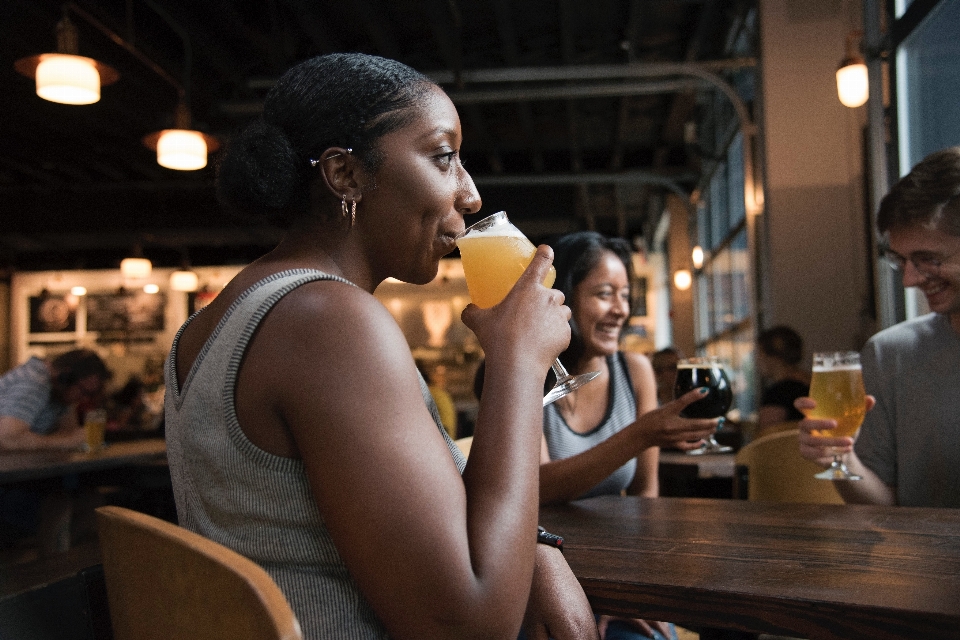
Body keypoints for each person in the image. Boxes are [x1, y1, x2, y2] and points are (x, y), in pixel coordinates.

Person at [165, 53, 597, 640]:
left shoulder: (211, 322)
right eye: (444, 157)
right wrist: (517, 363)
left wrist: (536, 544)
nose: (469, 194)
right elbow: (471, 627)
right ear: (346, 175)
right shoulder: (328, 321)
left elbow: (401, 506)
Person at [535, 231, 721, 640]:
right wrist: (640, 436)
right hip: (543, 575)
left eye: (625, 295)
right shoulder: (527, 372)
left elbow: (644, 499)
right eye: (604, 294)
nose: (621, 309)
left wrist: (633, 590)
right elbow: (536, 488)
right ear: (563, 295)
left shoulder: (634, 371)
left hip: (618, 569)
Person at [798, 146, 960, 508]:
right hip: (921, 563)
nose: (909, 279)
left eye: (928, 259)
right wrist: (840, 457)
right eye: (900, 260)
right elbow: (881, 507)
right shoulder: (890, 354)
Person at [0, 349, 110, 451]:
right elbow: (7, 438)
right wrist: (67, 442)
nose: (85, 399)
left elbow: (68, 431)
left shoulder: (59, 392)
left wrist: (71, 438)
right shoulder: (35, 383)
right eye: (84, 392)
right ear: (65, 378)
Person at [754, 326, 810, 433]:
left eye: (759, 353)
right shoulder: (813, 385)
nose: (756, 361)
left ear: (772, 357)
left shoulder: (776, 393)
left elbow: (766, 439)